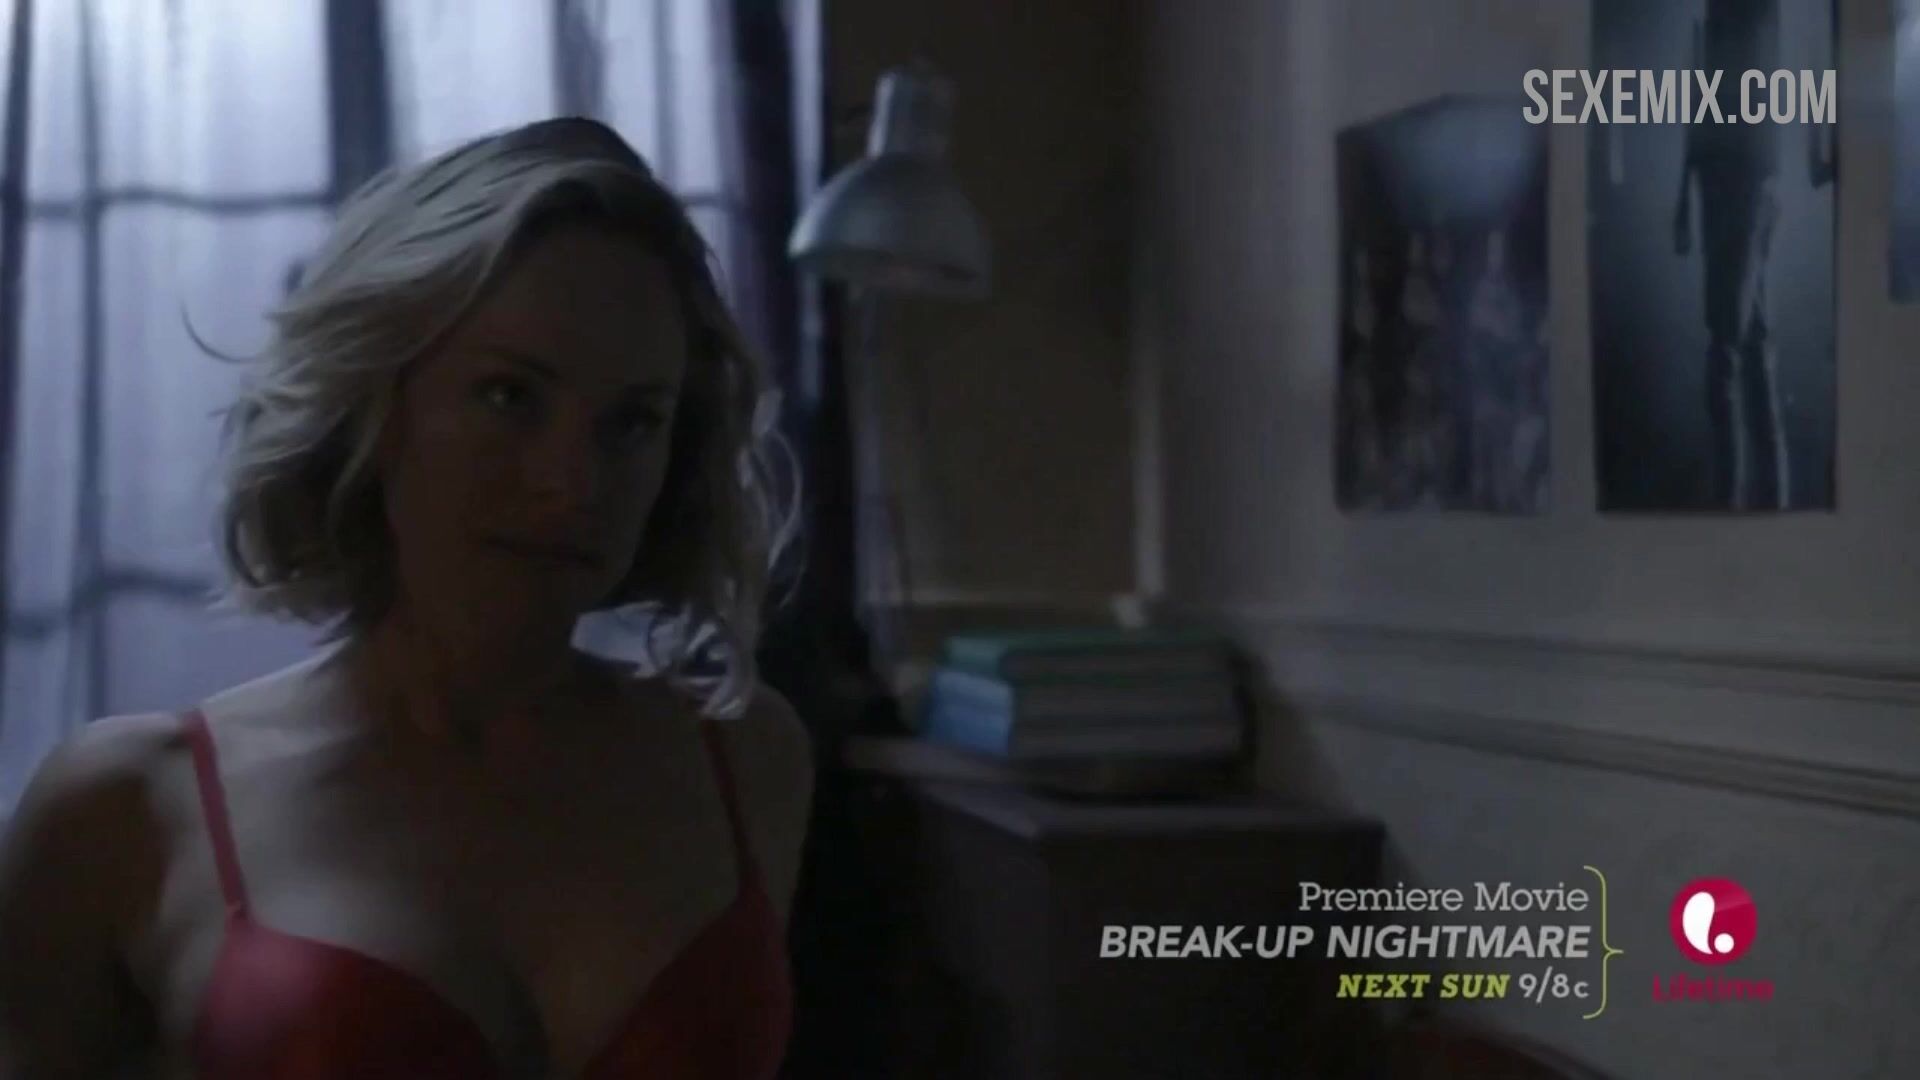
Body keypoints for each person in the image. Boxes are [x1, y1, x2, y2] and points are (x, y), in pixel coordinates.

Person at [0, 117, 814, 1079]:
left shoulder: (744, 758)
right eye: (510, 396)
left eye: (633, 422)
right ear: (374, 409)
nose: (571, 482)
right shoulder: (128, 810)